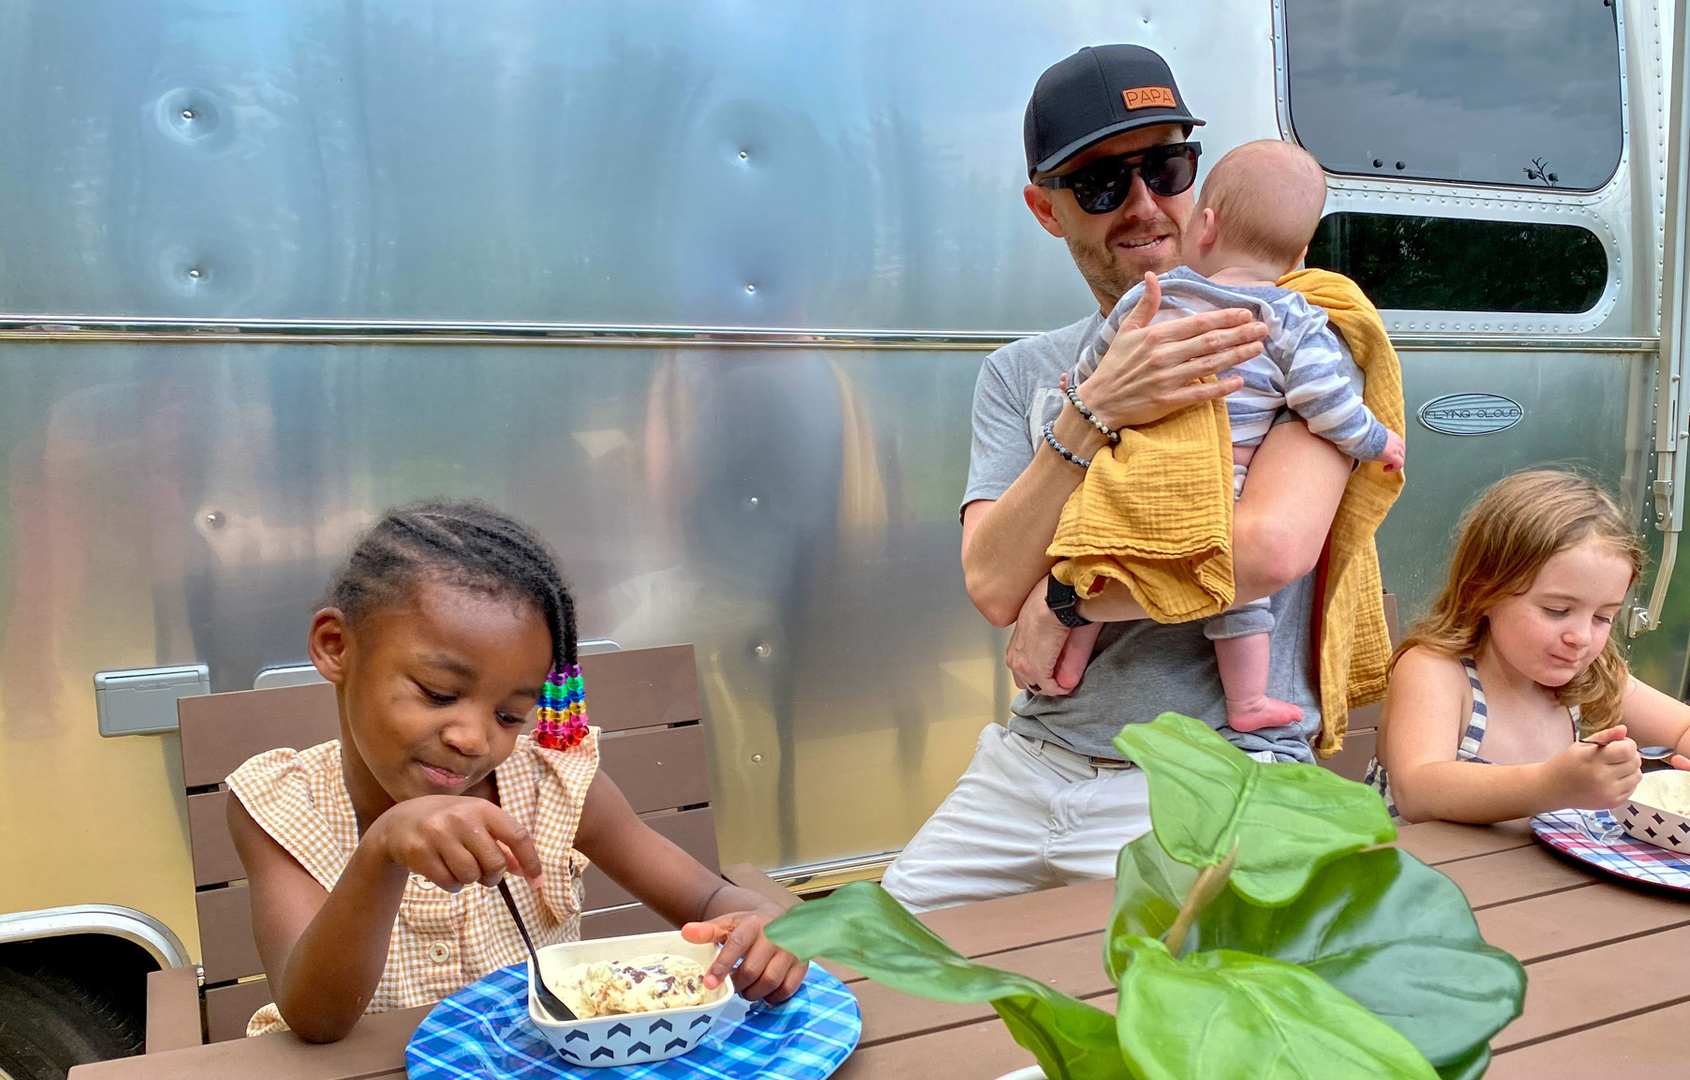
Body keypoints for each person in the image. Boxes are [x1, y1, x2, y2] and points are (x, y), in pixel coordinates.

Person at [880, 43, 1374, 913]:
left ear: (1203, 186)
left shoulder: (1294, 334)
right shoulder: (1022, 373)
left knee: (1139, 1035)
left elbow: (1264, 552)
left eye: (1166, 166)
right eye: (1102, 183)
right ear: (1046, 210)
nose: (1144, 204)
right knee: (867, 983)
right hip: (1031, 761)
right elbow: (994, 583)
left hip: (1211, 770)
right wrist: (1094, 412)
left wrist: (1066, 602)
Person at [225, 500, 804, 1041]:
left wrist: (762, 926)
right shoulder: (281, 806)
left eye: (509, 715)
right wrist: (381, 851)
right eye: (438, 693)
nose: (474, 738)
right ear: (336, 647)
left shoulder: (554, 788)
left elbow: (706, 900)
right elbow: (316, 1018)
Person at [1051, 139, 1406, 732]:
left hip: (1137, 464)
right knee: (1242, 596)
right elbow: (1325, 404)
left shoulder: (1154, 295)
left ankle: (1065, 670)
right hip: (1225, 478)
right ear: (1300, 253)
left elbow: (1101, 366)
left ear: (1205, 226)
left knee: (1100, 547)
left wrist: (1076, 391)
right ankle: (1246, 702)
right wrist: (1375, 440)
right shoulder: (1293, 319)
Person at [1364, 471, 1690, 824]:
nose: (1581, 637)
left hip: (1537, 896)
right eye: (1558, 610)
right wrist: (1551, 785)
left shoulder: (1590, 677)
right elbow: (1418, 790)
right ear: (1483, 592)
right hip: (1418, 891)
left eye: (1603, 617)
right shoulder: (1436, 670)